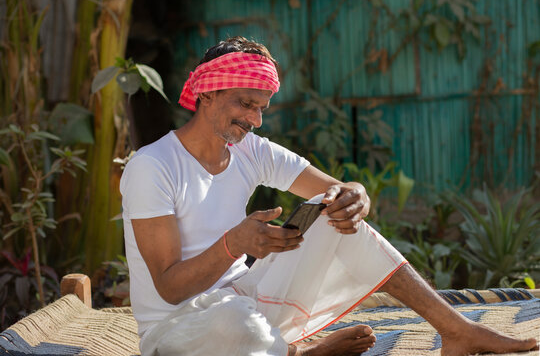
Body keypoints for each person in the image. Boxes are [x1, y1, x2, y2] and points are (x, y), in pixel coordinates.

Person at [120, 36, 538, 356]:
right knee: (236, 324)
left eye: (262, 107)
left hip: (244, 303)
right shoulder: (152, 166)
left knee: (338, 218)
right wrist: (234, 243)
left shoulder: (252, 150)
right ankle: (301, 352)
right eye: (245, 103)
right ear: (207, 93)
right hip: (177, 331)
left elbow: (335, 188)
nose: (254, 119)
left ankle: (457, 330)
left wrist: (355, 196)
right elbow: (169, 289)